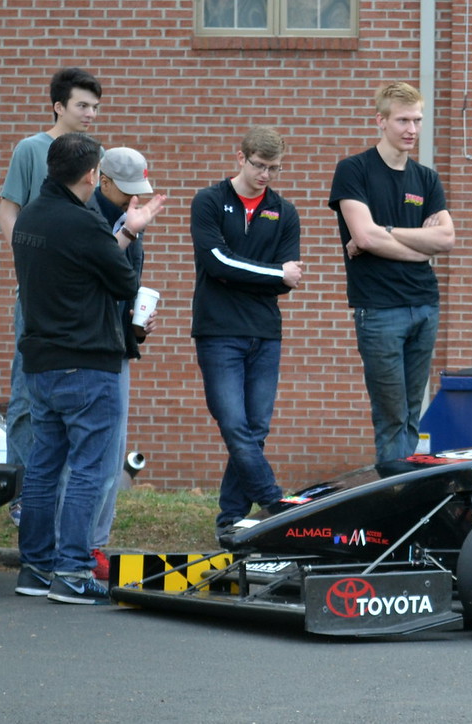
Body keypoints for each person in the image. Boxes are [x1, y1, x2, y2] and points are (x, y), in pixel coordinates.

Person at [10, 132, 166, 605]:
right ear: (90, 175)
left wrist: (120, 232)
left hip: (41, 363)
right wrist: (131, 230)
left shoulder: (31, 217)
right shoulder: (83, 223)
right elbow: (123, 281)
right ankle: (73, 571)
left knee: (42, 467)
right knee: (86, 470)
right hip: (87, 362)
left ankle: (35, 568)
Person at [328, 81, 455, 465]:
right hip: (380, 309)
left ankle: (403, 484)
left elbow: (446, 238)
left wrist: (388, 231)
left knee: (412, 412)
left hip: (424, 306)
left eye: (417, 120)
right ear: (380, 121)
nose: (411, 129)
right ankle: (394, 494)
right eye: (402, 120)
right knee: (392, 414)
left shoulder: (426, 178)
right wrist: (418, 248)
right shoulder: (354, 171)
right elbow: (363, 236)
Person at [0, 67, 103, 526]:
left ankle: (56, 499)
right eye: (82, 105)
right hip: (36, 294)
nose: (90, 114)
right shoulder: (30, 149)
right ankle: (23, 497)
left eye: (95, 107)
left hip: (78, 299)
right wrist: (27, 259)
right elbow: (8, 208)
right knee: (26, 394)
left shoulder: (91, 155)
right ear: (58, 106)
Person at [190, 127, 304, 535]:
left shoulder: (283, 211)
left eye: (274, 168)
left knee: (256, 429)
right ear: (240, 157)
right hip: (219, 331)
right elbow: (216, 262)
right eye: (259, 165)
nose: (266, 175)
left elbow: (288, 281)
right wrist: (273, 272)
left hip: (265, 332)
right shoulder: (209, 200)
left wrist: (265, 275)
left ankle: (231, 519)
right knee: (234, 424)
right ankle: (273, 498)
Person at [87, 146, 155, 578]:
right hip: (88, 345)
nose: (134, 199)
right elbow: (94, 273)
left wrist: (137, 322)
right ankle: (79, 547)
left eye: (140, 192)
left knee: (112, 452)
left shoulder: (130, 215)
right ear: (103, 181)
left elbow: (127, 280)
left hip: (118, 339)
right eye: (125, 191)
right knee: (88, 456)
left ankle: (94, 543)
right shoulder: (87, 218)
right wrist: (127, 233)